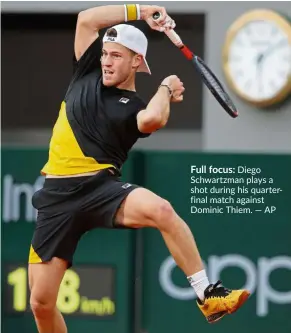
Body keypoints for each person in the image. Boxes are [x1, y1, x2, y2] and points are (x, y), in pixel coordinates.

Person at [28, 4, 250, 333]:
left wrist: (164, 88)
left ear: (136, 61)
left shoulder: (133, 106)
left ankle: (207, 293)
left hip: (98, 190)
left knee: (162, 210)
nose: (106, 60)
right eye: (105, 53)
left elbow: (153, 119)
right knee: (40, 304)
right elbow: (86, 19)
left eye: (116, 56)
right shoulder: (86, 70)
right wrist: (141, 10)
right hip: (56, 198)